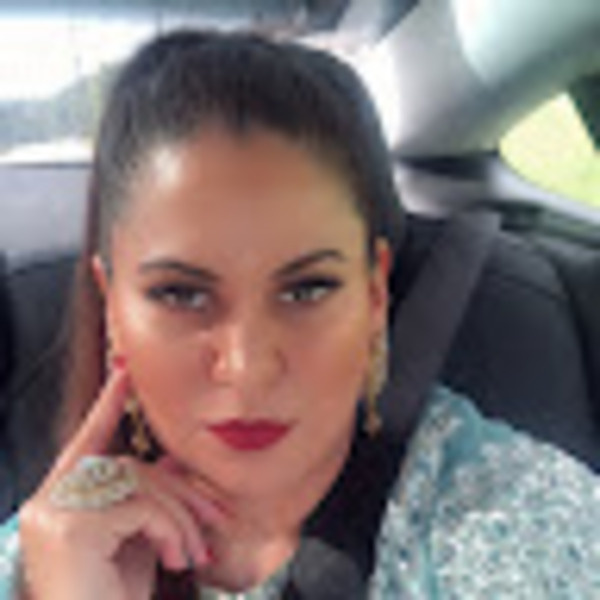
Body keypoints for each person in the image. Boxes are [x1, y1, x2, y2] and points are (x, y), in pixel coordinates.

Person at [0, 29, 599, 600]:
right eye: (181, 294)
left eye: (307, 289)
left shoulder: (518, 527)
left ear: (374, 296)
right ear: (112, 307)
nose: (248, 367)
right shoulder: (42, 555)